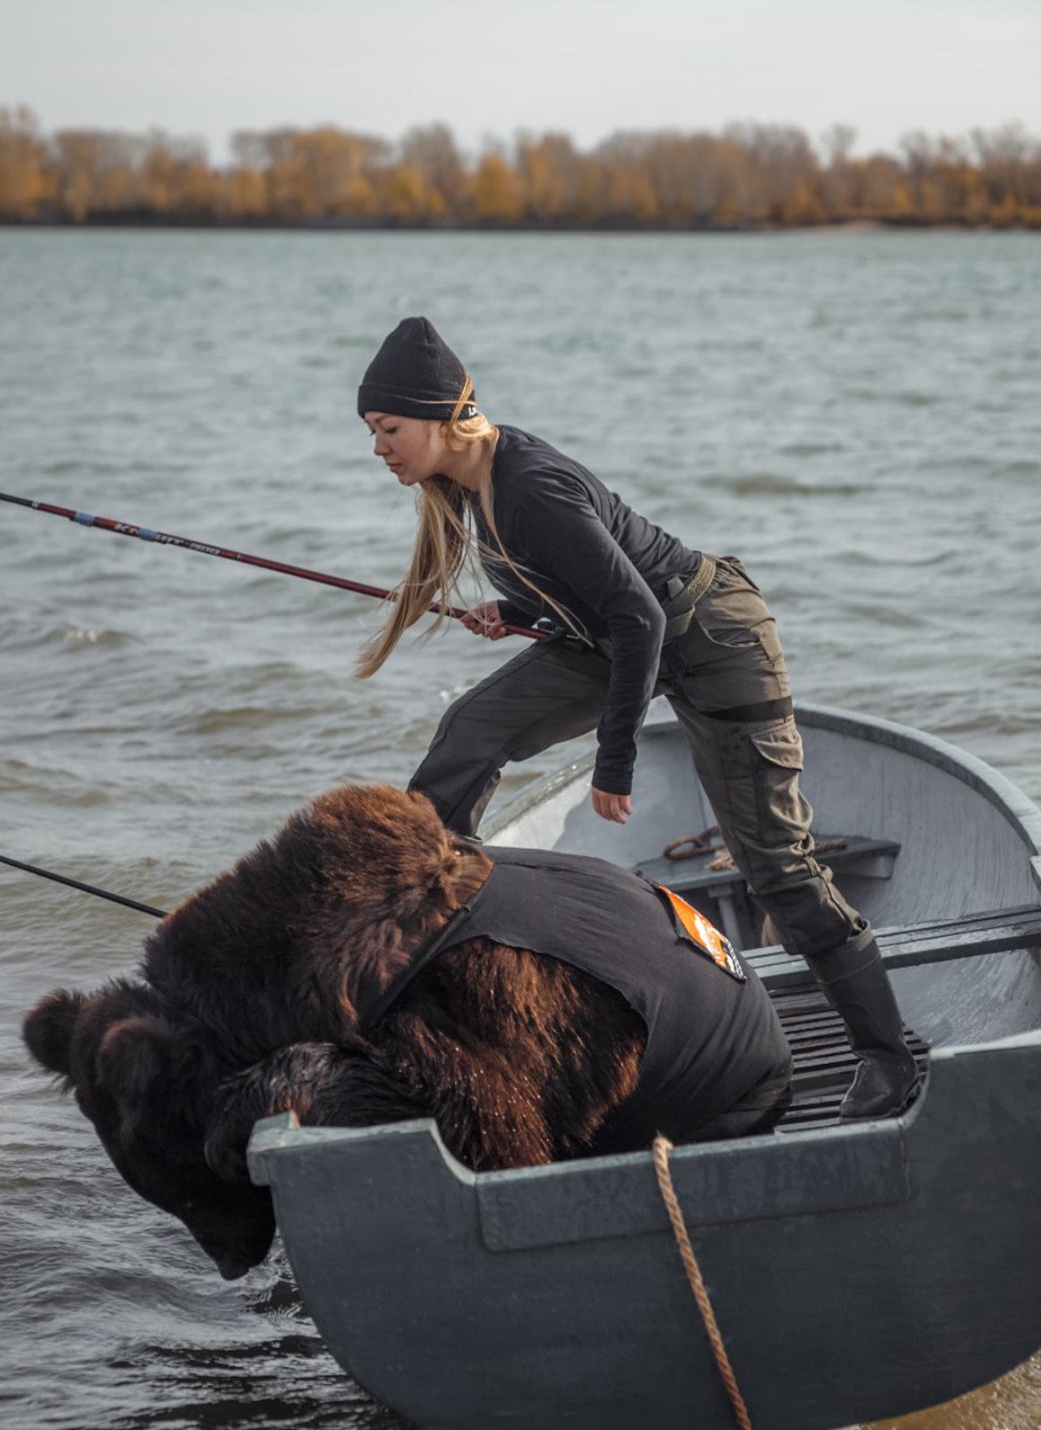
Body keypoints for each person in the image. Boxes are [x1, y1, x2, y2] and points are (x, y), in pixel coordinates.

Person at [354, 316, 919, 1121]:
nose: (379, 447)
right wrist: (516, 610)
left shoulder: (530, 488)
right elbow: (585, 588)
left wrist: (613, 764)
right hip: (617, 636)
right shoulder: (475, 487)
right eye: (373, 432)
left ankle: (887, 1060)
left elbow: (639, 619)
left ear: (444, 418)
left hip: (711, 635)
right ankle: (414, 909)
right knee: (473, 729)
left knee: (778, 871)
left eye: (389, 428)